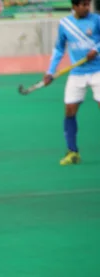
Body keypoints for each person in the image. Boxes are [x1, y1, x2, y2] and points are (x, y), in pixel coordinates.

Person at [44, 0, 100, 166]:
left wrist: (96, 49)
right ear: (74, 6)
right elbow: (59, 49)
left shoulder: (96, 20)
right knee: (69, 110)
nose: (86, 8)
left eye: (87, 4)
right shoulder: (65, 24)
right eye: (82, 4)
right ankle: (72, 152)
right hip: (77, 73)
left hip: (97, 71)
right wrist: (50, 71)